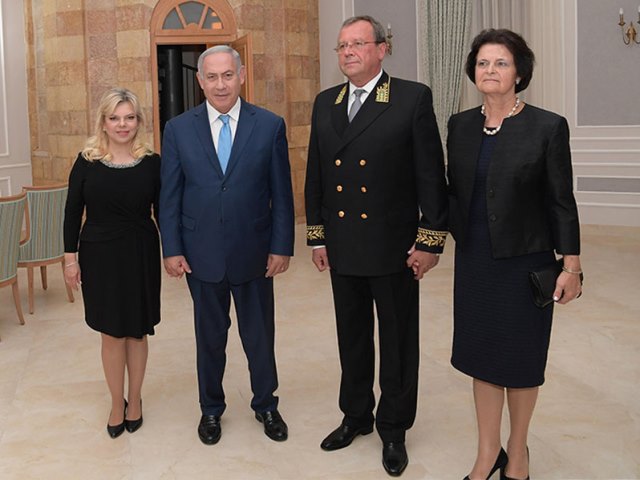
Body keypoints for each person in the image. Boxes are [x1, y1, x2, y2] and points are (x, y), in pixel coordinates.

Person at [305, 15, 448, 477]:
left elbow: (431, 176)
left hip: (393, 247)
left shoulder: (410, 98)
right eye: (342, 45)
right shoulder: (327, 102)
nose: (348, 52)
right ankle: (355, 415)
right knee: (352, 337)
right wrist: (318, 235)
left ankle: (393, 428)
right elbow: (317, 176)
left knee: (398, 340)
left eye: (358, 44)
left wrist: (429, 241)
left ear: (382, 49)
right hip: (344, 245)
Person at [446, 29, 583, 480]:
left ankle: (517, 451)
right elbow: (450, 194)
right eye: (483, 63)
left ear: (519, 73)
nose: (490, 71)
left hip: (526, 263)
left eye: (501, 63)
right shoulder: (460, 125)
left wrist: (572, 265)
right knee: (481, 358)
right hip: (475, 262)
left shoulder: (547, 126)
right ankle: (488, 453)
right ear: (473, 71)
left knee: (521, 362)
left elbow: (562, 200)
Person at [158, 45, 294, 446]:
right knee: (209, 338)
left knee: (259, 336)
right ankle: (211, 410)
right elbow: (170, 195)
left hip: (254, 251)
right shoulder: (178, 129)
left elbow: (281, 194)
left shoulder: (269, 125)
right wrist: (172, 248)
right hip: (200, 255)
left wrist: (281, 246)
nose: (220, 84)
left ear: (242, 75)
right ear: (200, 81)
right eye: (212, 77)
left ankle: (266, 404)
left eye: (227, 75)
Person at [63, 88, 161, 438]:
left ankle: (134, 400)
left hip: (140, 252)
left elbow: (163, 210)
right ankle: (115, 402)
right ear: (103, 122)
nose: (123, 124)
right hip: (99, 253)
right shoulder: (86, 160)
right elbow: (73, 210)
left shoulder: (152, 161)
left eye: (129, 117)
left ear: (139, 121)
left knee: (137, 331)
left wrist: (174, 253)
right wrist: (69, 259)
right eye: (115, 117)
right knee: (111, 333)